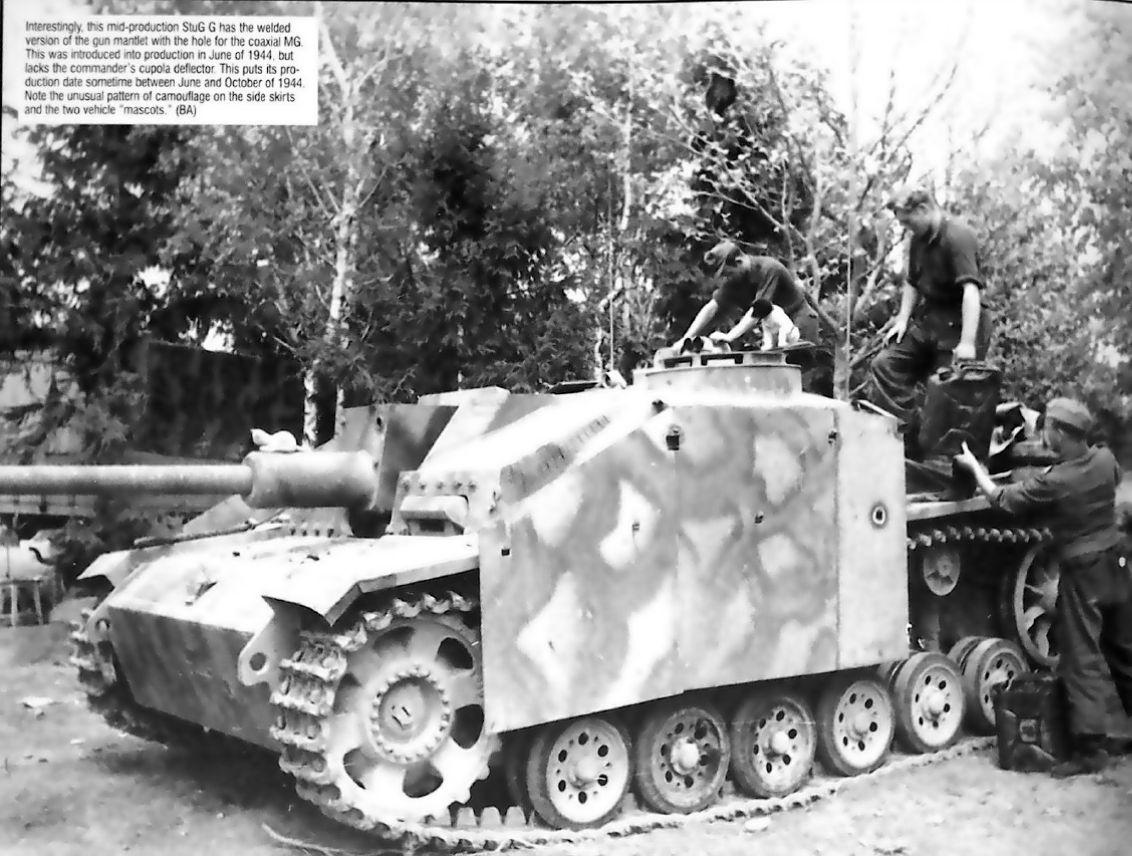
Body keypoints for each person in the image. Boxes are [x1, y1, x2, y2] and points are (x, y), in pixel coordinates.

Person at [955, 397, 1132, 777]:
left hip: (1083, 570)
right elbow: (1112, 478)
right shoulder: (1105, 459)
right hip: (1116, 561)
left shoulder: (1056, 482)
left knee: (1081, 656)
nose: (1043, 433)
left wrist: (975, 468)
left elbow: (1001, 499)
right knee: (1122, 649)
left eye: (1048, 426)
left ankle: (1090, 750)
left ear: (1063, 433)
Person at [865, 188, 994, 445]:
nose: (906, 228)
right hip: (931, 319)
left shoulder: (957, 237)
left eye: (908, 221)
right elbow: (912, 282)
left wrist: (967, 343)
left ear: (923, 210)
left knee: (949, 392)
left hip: (962, 323)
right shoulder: (918, 240)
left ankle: (944, 456)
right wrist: (902, 319)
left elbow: (971, 291)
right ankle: (905, 438)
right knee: (885, 364)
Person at [677, 241, 820, 349]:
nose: (726, 279)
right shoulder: (735, 280)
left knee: (799, 372)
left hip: (798, 321)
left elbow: (758, 311)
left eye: (727, 273)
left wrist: (730, 336)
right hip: (773, 329)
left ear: (738, 262)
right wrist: (684, 340)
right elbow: (712, 307)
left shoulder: (769, 269)